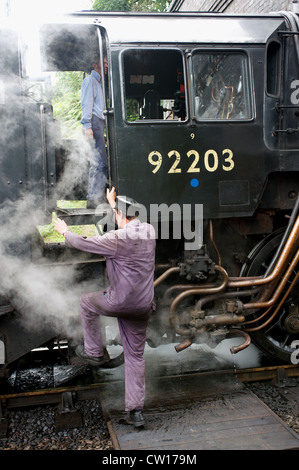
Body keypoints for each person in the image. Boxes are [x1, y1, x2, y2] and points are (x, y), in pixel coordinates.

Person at [54, 187, 156, 428]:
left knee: (86, 301)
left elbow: (85, 243)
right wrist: (113, 204)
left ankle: (95, 353)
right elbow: (125, 219)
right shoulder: (149, 231)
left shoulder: (116, 240)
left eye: (116, 215)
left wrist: (65, 232)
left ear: (120, 215)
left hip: (118, 302)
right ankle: (136, 412)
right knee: (135, 356)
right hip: (142, 305)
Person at [81, 55, 109, 208]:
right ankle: (93, 198)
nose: (106, 65)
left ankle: (96, 197)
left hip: (99, 123)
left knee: (100, 162)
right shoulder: (90, 81)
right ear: (95, 65)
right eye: (103, 63)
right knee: (99, 162)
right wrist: (88, 127)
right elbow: (87, 104)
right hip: (93, 122)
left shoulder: (99, 83)